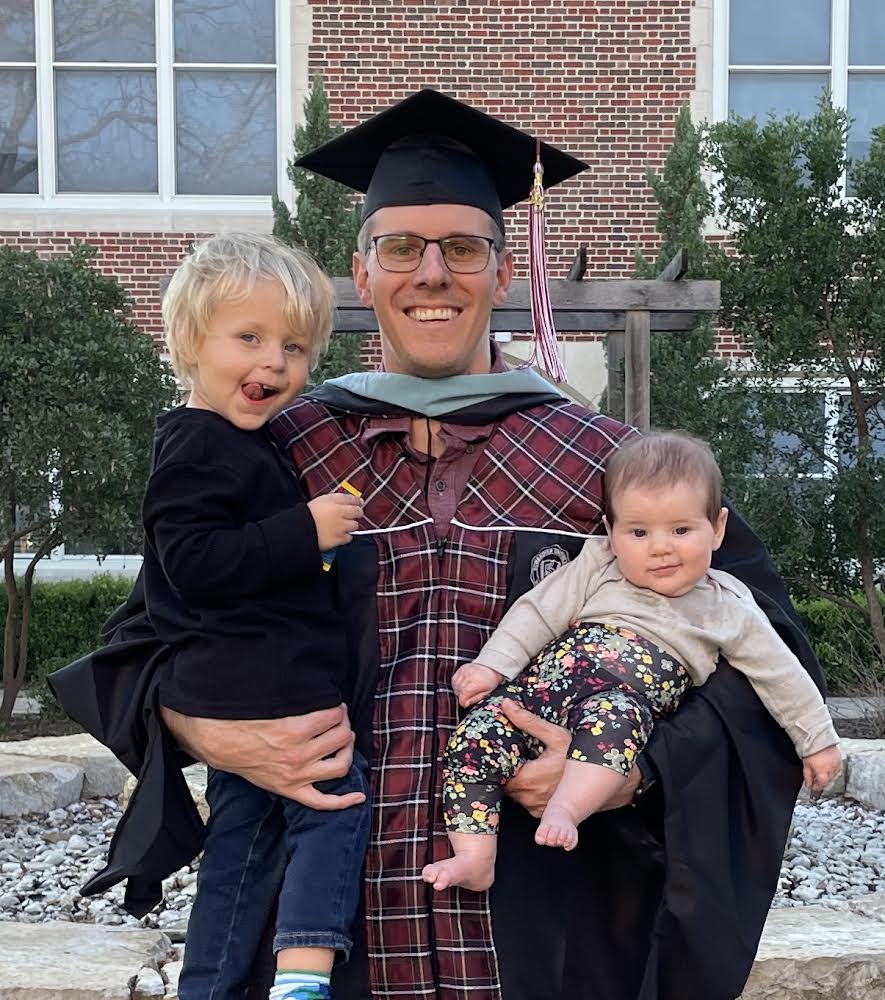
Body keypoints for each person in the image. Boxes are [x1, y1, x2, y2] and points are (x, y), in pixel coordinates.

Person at [50, 90, 827, 1000]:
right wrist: (204, 726)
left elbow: (764, 667)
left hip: (546, 921)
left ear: (502, 273)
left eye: (462, 248)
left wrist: (630, 773)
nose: (431, 273)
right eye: (400, 247)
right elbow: (146, 638)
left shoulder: (614, 472)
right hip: (320, 924)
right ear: (362, 270)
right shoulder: (275, 453)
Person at [422, 432, 841, 892]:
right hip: (542, 688)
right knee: (475, 735)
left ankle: (566, 807)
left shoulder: (729, 605)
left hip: (620, 699)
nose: (660, 547)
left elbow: (779, 674)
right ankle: (474, 856)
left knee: (613, 728)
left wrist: (816, 741)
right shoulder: (599, 563)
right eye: (638, 532)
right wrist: (492, 666)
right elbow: (539, 611)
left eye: (681, 530)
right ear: (611, 531)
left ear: (717, 529)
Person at [140, 233, 369, 1000]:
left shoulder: (248, 441)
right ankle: (304, 972)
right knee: (334, 801)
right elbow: (194, 565)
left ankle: (209, 985)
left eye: (294, 347)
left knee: (239, 846)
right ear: (186, 343)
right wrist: (306, 531)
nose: (273, 362)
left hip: (247, 681)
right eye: (249, 338)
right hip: (261, 684)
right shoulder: (194, 445)